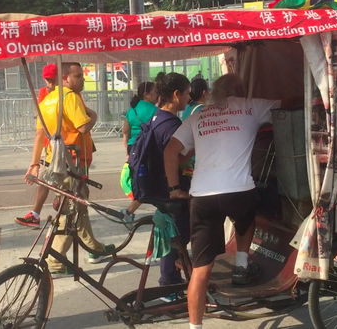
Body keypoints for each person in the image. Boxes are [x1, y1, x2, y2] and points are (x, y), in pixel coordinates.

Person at [164, 73, 283, 329]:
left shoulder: (198, 115)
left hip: (203, 196)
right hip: (239, 192)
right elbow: (288, 104)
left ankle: (195, 326)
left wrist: (175, 187)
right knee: (248, 215)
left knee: (201, 269)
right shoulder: (251, 106)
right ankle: (241, 265)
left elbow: (171, 151)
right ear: (241, 91)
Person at [23, 62, 114, 277]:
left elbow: (39, 135)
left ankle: (94, 248)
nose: (82, 79)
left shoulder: (47, 101)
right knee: (70, 208)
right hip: (73, 160)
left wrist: (34, 163)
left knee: (78, 205)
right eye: (78, 76)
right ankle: (55, 259)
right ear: (65, 79)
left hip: (57, 160)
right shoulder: (69, 97)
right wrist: (93, 116)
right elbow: (83, 126)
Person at [137, 73, 192, 298]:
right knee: (178, 234)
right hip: (171, 187)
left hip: (158, 185)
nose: (189, 98)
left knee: (170, 232)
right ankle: (169, 284)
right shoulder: (172, 125)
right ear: (176, 94)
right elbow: (175, 158)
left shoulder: (156, 117)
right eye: (187, 94)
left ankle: (170, 281)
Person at [16, 64, 63, 228]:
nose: (50, 84)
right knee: (43, 180)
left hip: (62, 146)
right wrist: (34, 163)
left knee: (62, 184)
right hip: (48, 145)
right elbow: (41, 117)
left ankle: (69, 215)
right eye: (47, 80)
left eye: (53, 80)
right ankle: (35, 214)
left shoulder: (67, 94)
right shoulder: (44, 93)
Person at [120, 82, 158, 222]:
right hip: (148, 149)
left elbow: (125, 133)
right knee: (151, 182)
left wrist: (128, 151)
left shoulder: (132, 111)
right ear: (146, 94)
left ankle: (129, 212)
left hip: (133, 149)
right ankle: (129, 212)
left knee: (140, 181)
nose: (157, 95)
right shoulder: (155, 110)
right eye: (155, 92)